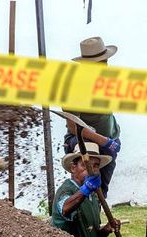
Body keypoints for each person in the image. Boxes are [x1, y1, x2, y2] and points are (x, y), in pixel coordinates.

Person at [64, 37, 121, 198]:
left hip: (108, 143)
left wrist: (114, 137)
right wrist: (103, 140)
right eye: (101, 63)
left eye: (105, 61)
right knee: (84, 189)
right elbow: (73, 126)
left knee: (102, 190)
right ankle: (77, 221)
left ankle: (95, 221)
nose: (105, 66)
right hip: (84, 143)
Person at [52, 142, 121, 237]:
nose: (91, 170)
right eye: (85, 165)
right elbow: (65, 209)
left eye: (96, 166)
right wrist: (86, 189)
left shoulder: (93, 196)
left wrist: (106, 229)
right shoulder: (66, 190)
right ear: (73, 168)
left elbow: (92, 234)